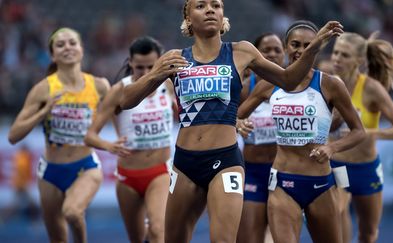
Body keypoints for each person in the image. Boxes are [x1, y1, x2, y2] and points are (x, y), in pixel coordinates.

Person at [120, 1, 343, 241]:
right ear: (187, 17)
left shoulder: (241, 52)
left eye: (216, 5)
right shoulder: (175, 58)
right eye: (201, 6)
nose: (210, 9)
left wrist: (314, 47)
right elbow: (126, 101)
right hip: (185, 163)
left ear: (222, 14)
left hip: (225, 160)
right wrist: (155, 74)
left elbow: (288, 80)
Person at [237, 20, 366, 243]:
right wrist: (239, 123)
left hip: (320, 184)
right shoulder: (268, 85)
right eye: (295, 44)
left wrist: (331, 147)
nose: (300, 50)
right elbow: (237, 114)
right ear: (287, 47)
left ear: (317, 46)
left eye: (308, 45)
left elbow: (359, 131)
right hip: (282, 182)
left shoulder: (331, 84)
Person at [8, 27, 110, 243]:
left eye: (73, 43)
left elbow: (120, 111)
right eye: (60, 45)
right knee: (58, 239)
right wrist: (43, 112)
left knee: (73, 212)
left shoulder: (99, 86)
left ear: (81, 49)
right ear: (53, 55)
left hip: (85, 167)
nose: (67, 48)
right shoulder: (43, 89)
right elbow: (13, 135)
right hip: (50, 172)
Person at [84, 36, 175, 243]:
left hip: (160, 171)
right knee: (137, 238)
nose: (145, 73)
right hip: (128, 177)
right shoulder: (119, 91)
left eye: (151, 67)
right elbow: (89, 135)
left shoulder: (168, 86)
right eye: (139, 67)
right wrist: (108, 145)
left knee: (157, 228)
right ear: (131, 63)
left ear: (160, 62)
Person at [329, 32, 393, 243]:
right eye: (335, 52)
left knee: (369, 232)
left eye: (344, 55)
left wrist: (368, 133)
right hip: (338, 165)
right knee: (337, 212)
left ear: (359, 60)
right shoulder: (326, 82)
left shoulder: (372, 89)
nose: (337, 58)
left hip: (366, 169)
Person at [236, 33, 284, 243]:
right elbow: (225, 120)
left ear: (284, 54)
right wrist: (237, 124)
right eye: (266, 50)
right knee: (250, 237)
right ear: (256, 54)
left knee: (278, 237)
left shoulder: (294, 87)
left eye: (277, 49)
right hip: (253, 171)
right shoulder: (244, 88)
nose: (272, 54)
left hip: (283, 171)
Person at [2, 145, 39, 222]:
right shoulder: (22, 158)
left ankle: (3, 218)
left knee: (15, 204)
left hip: (19, 184)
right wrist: (23, 184)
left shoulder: (19, 156)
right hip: (21, 185)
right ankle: (35, 221)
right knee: (28, 204)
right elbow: (21, 172)